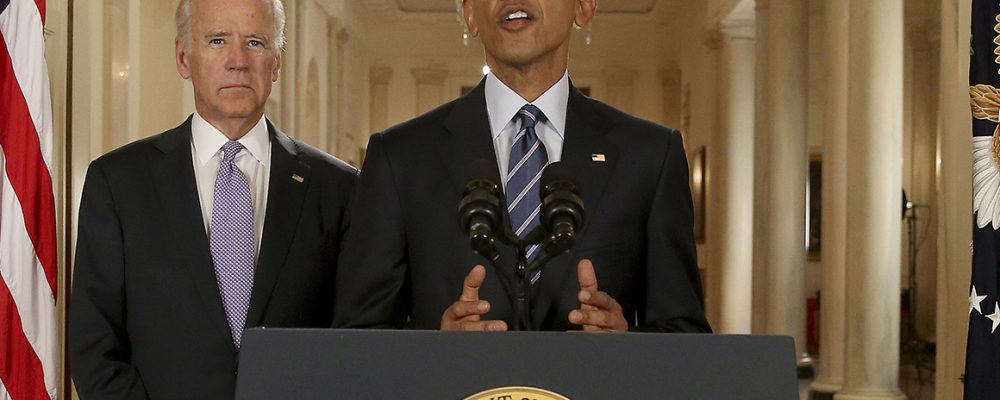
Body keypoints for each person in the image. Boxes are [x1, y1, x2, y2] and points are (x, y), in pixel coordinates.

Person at [333, 0, 710, 333]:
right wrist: (433, 352)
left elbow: (685, 333)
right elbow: (356, 337)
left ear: (584, 6)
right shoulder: (398, 158)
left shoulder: (650, 155)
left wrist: (624, 346)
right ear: (469, 13)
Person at [68, 0, 357, 397]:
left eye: (255, 42)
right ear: (183, 57)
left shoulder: (339, 188)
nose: (238, 60)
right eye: (218, 40)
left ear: (276, 62)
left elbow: (356, 339)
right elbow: (94, 348)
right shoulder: (118, 184)